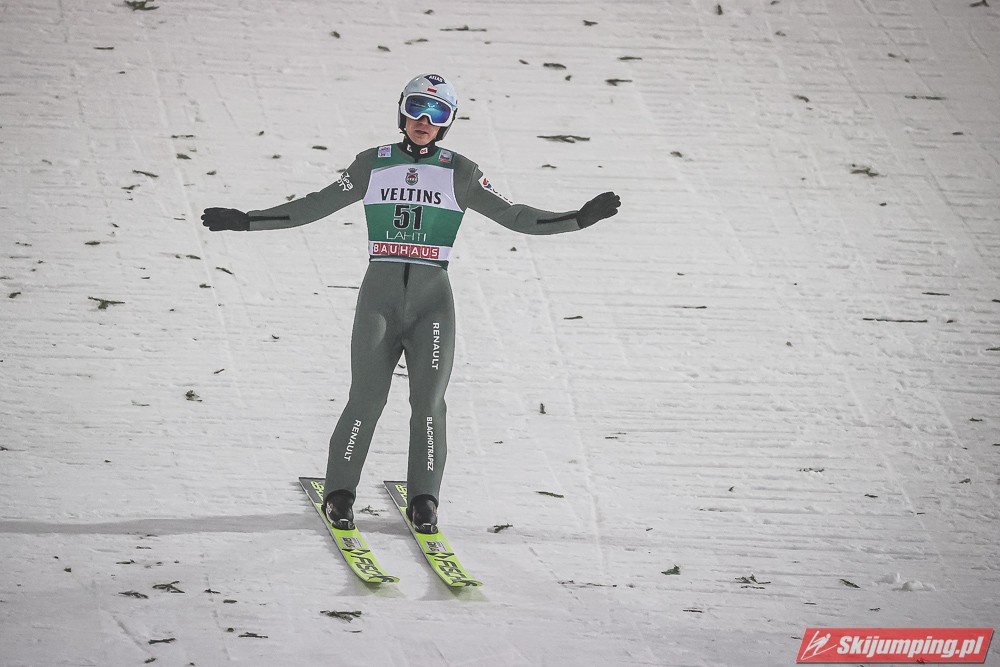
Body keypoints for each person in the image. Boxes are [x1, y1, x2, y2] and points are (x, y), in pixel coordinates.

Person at [202, 73, 620, 534]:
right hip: (378, 302)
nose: (424, 119)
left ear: (448, 123)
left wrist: (577, 219)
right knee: (365, 399)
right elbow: (313, 206)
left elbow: (516, 215)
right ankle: (339, 493)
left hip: (432, 305)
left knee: (429, 402)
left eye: (437, 112)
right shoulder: (372, 165)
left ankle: (425, 499)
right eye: (416, 107)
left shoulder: (461, 172)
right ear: (401, 111)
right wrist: (247, 220)